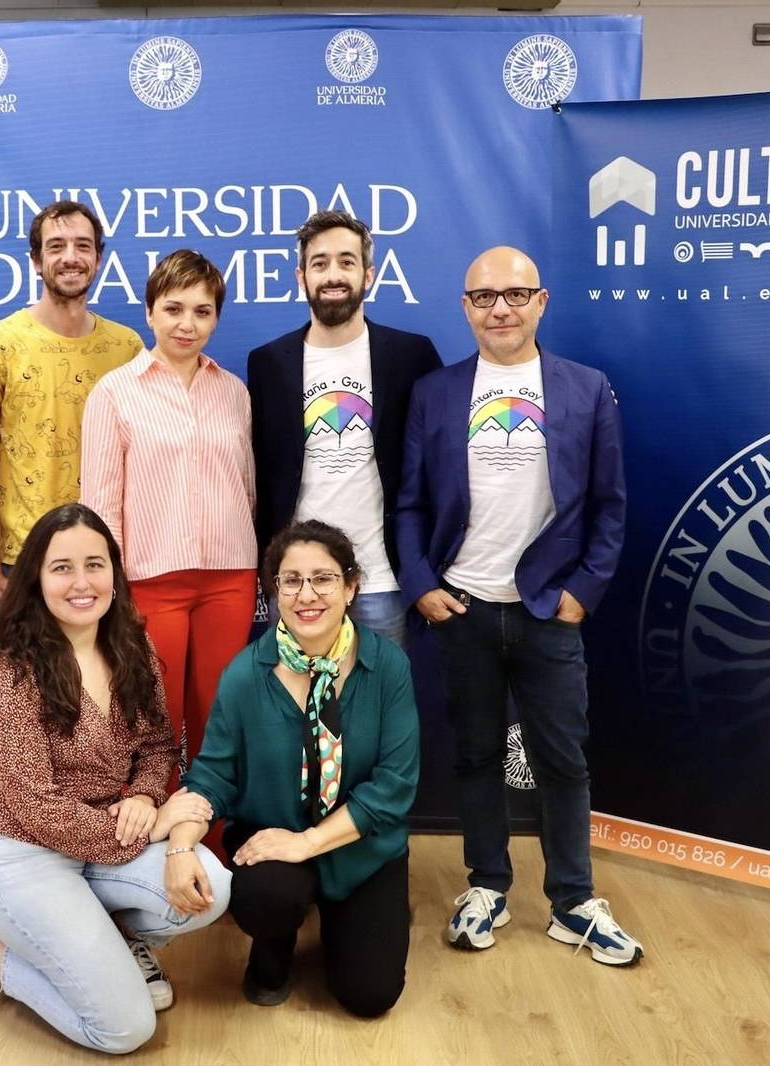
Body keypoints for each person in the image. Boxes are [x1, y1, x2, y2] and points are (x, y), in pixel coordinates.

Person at [396, 246, 642, 965]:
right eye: (483, 297)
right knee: (476, 755)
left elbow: (609, 505)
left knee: (562, 760)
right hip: (463, 608)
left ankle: (573, 900)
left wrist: (582, 593)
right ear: (465, 307)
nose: (499, 309)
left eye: (514, 294)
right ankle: (487, 886)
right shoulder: (435, 392)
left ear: (541, 301)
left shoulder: (586, 388)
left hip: (547, 611)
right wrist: (422, 585)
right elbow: (409, 503)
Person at [0, 504, 232, 1055]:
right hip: (24, 854)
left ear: (114, 571)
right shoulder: (14, 669)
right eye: (62, 568)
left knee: (212, 887)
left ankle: (109, 937)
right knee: (126, 1029)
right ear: (36, 578)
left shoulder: (131, 644)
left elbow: (158, 745)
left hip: (103, 841)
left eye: (95, 564)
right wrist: (152, 826)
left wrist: (145, 795)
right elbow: (35, 805)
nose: (82, 583)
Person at [174, 520, 420, 1016]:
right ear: (276, 591)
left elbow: (393, 787)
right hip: (274, 845)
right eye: (291, 581)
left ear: (350, 587)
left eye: (323, 578)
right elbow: (211, 777)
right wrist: (180, 848)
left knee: (370, 996)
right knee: (267, 898)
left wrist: (307, 843)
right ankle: (274, 947)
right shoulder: (245, 674)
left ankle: (343, 922)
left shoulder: (388, 667)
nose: (307, 595)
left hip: (360, 849)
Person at [81, 249, 257, 785]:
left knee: (221, 720)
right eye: (174, 309)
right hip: (149, 582)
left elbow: (247, 488)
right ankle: (155, 833)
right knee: (154, 723)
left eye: (202, 312)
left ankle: (214, 832)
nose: (187, 324)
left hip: (230, 578)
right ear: (150, 312)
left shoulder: (233, 391)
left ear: (216, 318)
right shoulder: (114, 393)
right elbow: (100, 505)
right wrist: (109, 585)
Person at [248, 211, 442, 647]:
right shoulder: (269, 363)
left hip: (383, 581)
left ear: (368, 274)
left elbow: (439, 466)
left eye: (346, 261)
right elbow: (259, 473)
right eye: (319, 263)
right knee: (295, 692)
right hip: (297, 583)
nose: (333, 274)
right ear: (301, 277)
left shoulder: (412, 356)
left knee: (379, 691)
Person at [0, 201, 144, 604]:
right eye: (56, 246)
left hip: (102, 558)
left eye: (82, 245)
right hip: (22, 559)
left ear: (98, 259)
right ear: (36, 260)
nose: (70, 257)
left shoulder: (127, 347)